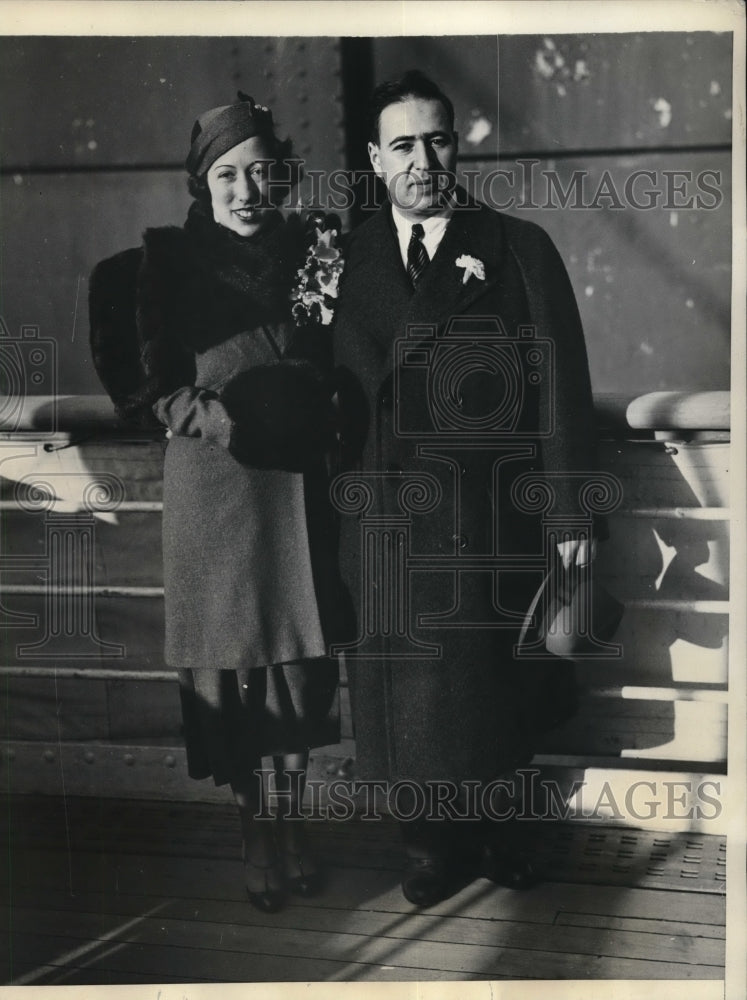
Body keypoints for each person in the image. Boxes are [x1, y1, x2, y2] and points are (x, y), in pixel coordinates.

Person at [332, 71, 600, 906]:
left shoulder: (516, 247)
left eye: (436, 139)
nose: (422, 160)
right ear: (377, 159)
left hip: (485, 517)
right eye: (402, 145)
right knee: (403, 696)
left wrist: (569, 514)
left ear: (458, 144)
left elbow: (562, 390)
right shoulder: (344, 258)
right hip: (383, 520)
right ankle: (427, 847)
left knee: (490, 688)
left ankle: (497, 833)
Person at [89, 94, 350, 915]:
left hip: (296, 489)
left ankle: (291, 825)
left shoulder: (318, 251)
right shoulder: (161, 263)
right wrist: (217, 418)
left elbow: (337, 356)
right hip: (214, 485)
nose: (246, 189)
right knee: (234, 673)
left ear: (281, 175)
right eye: (227, 174)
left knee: (298, 669)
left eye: (261, 171)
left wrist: (318, 409)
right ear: (202, 183)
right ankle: (253, 832)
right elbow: (151, 387)